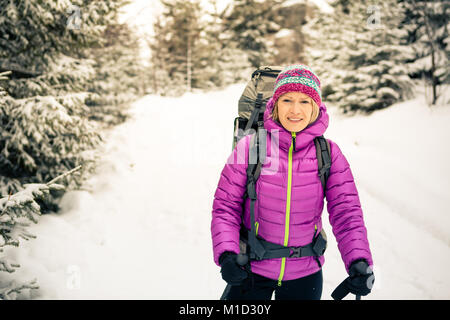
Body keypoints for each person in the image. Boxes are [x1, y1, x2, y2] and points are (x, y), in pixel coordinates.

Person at [211, 64, 374, 300]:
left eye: (305, 101)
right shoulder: (251, 147)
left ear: (316, 107)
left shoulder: (328, 153)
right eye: (287, 100)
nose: (295, 110)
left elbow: (347, 213)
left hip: (305, 275)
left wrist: (358, 260)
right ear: (275, 104)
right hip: (251, 271)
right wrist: (227, 253)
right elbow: (226, 207)